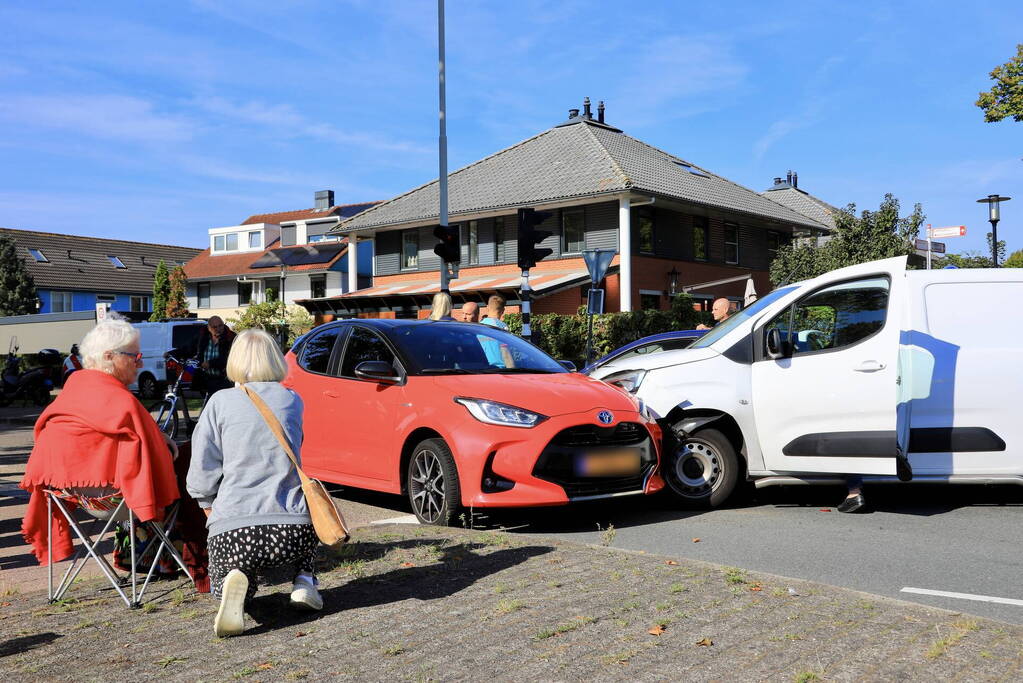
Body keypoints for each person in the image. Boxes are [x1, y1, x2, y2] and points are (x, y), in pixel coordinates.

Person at [187, 329, 321, 637]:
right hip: (292, 529)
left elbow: (202, 468)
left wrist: (207, 505)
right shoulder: (293, 400)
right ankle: (304, 580)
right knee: (306, 511)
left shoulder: (219, 402)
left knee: (229, 565)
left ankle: (236, 586)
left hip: (235, 529)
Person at [20, 318, 180, 566]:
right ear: (109, 357)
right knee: (188, 472)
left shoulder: (67, 396)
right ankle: (183, 562)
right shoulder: (120, 401)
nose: (140, 363)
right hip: (120, 501)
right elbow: (155, 453)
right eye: (135, 356)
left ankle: (137, 557)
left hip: (70, 496)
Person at [196, 316, 236, 394]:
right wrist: (173, 353)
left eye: (220, 326)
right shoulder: (203, 337)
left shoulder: (231, 338)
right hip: (207, 379)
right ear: (209, 328)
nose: (218, 329)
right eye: (214, 327)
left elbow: (230, 358)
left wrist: (211, 363)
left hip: (225, 381)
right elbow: (189, 348)